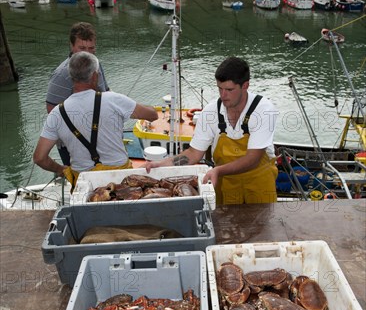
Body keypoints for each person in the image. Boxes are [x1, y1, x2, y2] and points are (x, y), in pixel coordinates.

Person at [145, 56, 278, 204]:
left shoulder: (264, 110)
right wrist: (163, 164)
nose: (223, 95)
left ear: (245, 85)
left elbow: (253, 159)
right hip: (225, 184)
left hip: (259, 184)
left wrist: (218, 170)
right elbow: (193, 153)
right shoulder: (210, 112)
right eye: (220, 88)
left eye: (229, 89)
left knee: (263, 225)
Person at [34, 51, 158, 189]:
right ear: (95, 76)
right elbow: (152, 115)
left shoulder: (57, 113)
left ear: (71, 76)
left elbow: (39, 158)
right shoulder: (114, 100)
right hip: (119, 181)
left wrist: (61, 170)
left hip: (84, 184)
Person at [46, 22, 110, 165]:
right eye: (82, 48)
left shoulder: (96, 65)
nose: (87, 53)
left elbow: (105, 93)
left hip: (97, 137)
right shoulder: (62, 74)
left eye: (91, 48)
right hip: (73, 143)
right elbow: (51, 110)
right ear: (71, 46)